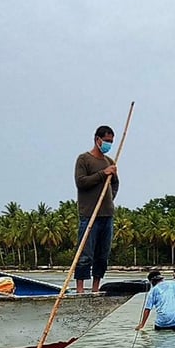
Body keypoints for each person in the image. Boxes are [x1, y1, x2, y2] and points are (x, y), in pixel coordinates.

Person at [74, 125, 119, 293]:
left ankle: (95, 288)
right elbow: (81, 182)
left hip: (107, 215)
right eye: (106, 141)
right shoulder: (84, 159)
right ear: (97, 139)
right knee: (85, 254)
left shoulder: (110, 162)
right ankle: (80, 289)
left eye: (111, 142)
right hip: (89, 214)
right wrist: (103, 173)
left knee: (102, 255)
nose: (108, 144)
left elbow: (115, 184)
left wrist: (110, 197)